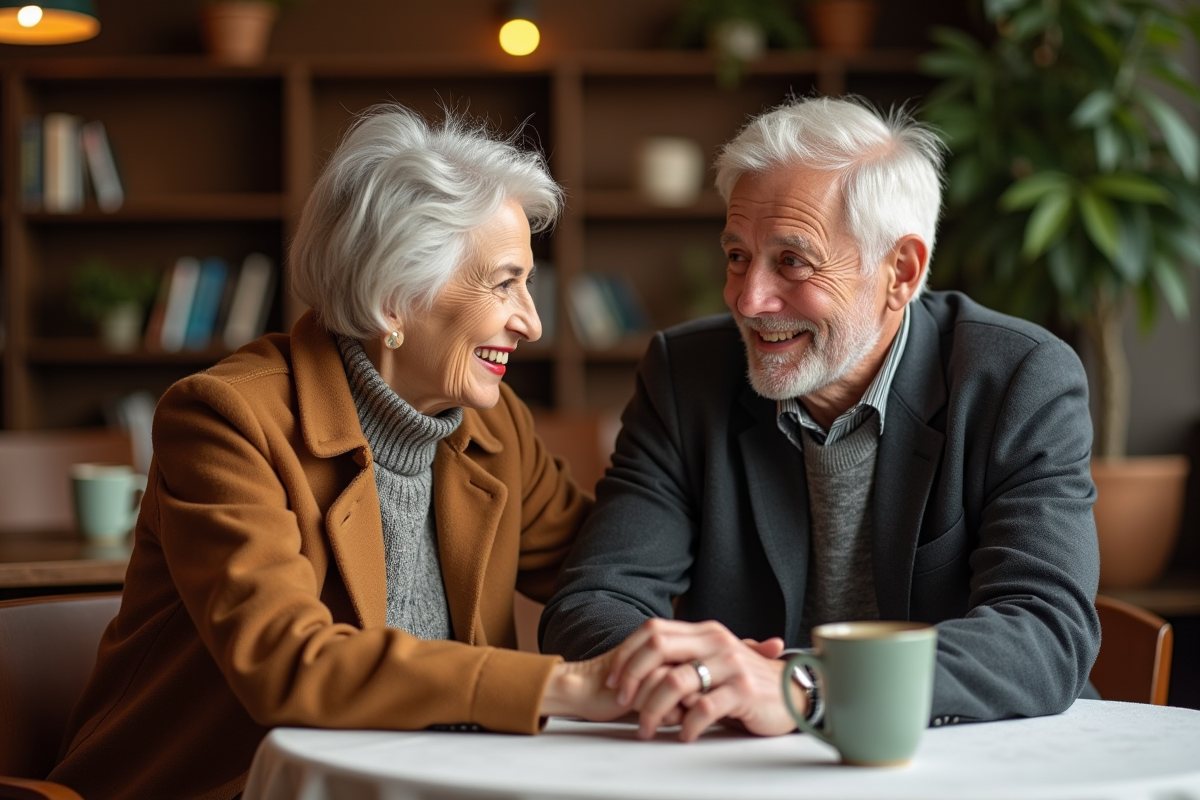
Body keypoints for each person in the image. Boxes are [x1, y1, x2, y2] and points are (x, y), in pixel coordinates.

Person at [49, 106, 621, 800]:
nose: (530, 321)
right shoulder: (225, 419)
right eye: (505, 283)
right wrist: (564, 684)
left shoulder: (497, 430)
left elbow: (610, 570)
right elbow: (286, 660)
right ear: (393, 299)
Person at [541, 96, 1102, 742]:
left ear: (901, 271)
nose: (748, 301)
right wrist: (708, 679)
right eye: (736, 256)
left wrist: (805, 687)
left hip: (972, 763)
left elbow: (1044, 630)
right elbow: (591, 605)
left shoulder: (1019, 380)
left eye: (792, 261)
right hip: (743, 772)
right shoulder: (683, 376)